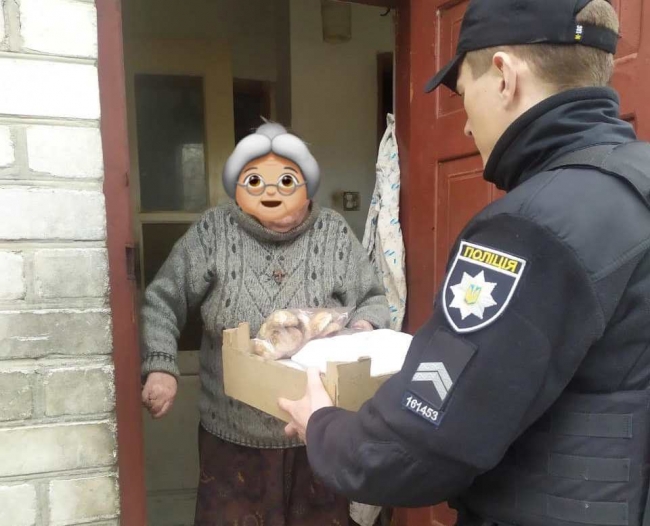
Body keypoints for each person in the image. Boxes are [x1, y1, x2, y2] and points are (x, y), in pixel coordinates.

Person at [279, 1, 650, 525]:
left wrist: (322, 425)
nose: (466, 127)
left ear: (503, 77)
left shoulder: (532, 227)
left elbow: (409, 449)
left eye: (461, 92)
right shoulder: (637, 181)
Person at [139, 122, 390, 525]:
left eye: (286, 180)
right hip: (232, 437)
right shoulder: (213, 231)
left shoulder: (333, 233)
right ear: (238, 185)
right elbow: (163, 298)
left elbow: (373, 299)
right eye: (255, 181)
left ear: (307, 185)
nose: (272, 192)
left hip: (317, 433)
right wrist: (160, 366)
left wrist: (360, 332)